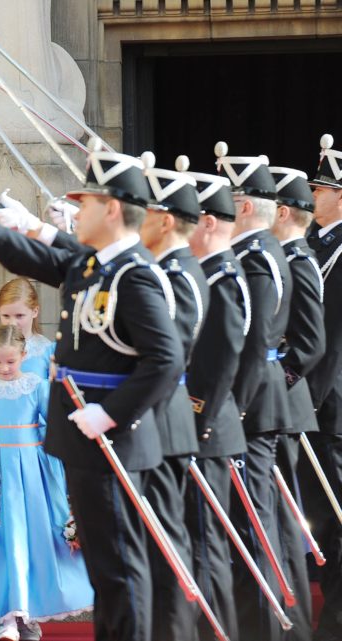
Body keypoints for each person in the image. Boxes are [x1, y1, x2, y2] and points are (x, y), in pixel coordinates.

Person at [0, 141, 185, 641]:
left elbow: (166, 359)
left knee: (122, 568)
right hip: (83, 439)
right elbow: (33, 257)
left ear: (112, 209)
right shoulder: (94, 265)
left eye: (86, 203)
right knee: (106, 571)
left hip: (114, 441)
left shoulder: (133, 275)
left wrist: (110, 414)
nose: (77, 211)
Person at [0, 325, 93, 641]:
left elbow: (52, 426)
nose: (4, 368)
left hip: (32, 470)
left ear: (24, 355)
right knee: (3, 538)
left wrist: (54, 463)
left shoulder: (36, 385)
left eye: (11, 361)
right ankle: (6, 613)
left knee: (33, 536)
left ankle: (29, 613)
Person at [217, 144, 293, 641]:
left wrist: (236, 409)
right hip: (252, 402)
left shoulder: (258, 257)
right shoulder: (254, 252)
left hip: (253, 406)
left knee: (253, 525)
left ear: (244, 205)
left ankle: (264, 630)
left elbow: (255, 343)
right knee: (248, 522)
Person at [137, 153, 209, 641]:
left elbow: (168, 358)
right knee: (155, 542)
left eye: (143, 212)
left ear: (164, 220)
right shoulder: (165, 269)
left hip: (164, 418)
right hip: (157, 420)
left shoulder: (177, 274)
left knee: (167, 545)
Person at [181, 167, 249, 641]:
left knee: (207, 545)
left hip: (205, 425)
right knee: (195, 542)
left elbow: (223, 362)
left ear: (207, 221)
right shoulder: (204, 272)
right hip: (193, 423)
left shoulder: (224, 276)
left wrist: (197, 416)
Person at [269, 164, 325, 641]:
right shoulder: (280, 257)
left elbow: (310, 344)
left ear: (282, 211)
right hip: (278, 404)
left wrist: (276, 380)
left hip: (285, 403)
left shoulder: (299, 260)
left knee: (287, 520)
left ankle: (296, 627)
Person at [299, 133, 342, 641]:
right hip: (308, 402)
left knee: (335, 516)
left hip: (329, 404)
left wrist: (308, 401)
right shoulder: (314, 244)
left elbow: (333, 337)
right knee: (320, 520)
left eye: (321, 188)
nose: (313, 194)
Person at [0, 278, 55, 381]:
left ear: (35, 311)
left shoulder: (48, 351)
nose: (12, 323)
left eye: (19, 316)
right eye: (6, 316)